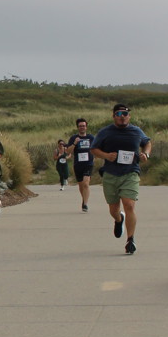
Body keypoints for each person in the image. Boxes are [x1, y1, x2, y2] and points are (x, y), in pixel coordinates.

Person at [90, 104, 151, 255]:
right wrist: (106, 156)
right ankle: (119, 219)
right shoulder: (105, 132)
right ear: (113, 116)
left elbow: (147, 143)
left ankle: (130, 240)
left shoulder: (136, 131)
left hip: (130, 172)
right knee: (113, 209)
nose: (122, 116)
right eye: (118, 114)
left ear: (129, 116)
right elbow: (94, 149)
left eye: (125, 113)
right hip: (111, 174)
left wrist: (145, 154)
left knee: (129, 205)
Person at [66, 117, 94, 211]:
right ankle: (84, 199)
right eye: (80, 126)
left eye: (83, 126)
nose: (82, 127)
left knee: (86, 184)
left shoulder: (91, 138)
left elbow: (96, 148)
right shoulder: (73, 138)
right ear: (78, 127)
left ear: (86, 127)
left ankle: (85, 204)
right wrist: (74, 143)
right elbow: (68, 151)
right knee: (81, 185)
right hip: (78, 164)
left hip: (88, 163)